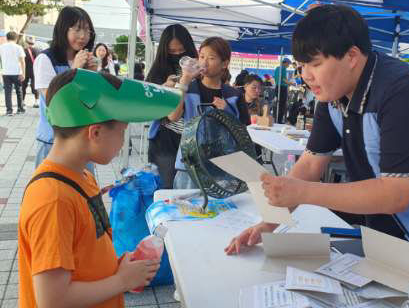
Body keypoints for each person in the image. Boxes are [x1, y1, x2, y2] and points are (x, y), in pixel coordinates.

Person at [225, 4, 409, 297]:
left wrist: (302, 193)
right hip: (402, 226)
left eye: (315, 64)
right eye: (301, 65)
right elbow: (310, 165)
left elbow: (394, 194)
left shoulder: (406, 92)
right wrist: (268, 223)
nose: (305, 75)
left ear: (351, 56)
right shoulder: (332, 96)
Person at [18, 68, 180, 308]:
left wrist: (115, 266)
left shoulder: (82, 176)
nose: (123, 142)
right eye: (123, 132)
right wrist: (121, 281)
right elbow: (52, 300)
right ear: (95, 132)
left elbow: (82, 252)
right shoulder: (53, 199)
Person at [170, 36, 247, 189]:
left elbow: (243, 130)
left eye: (211, 58)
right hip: (190, 165)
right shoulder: (188, 89)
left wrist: (227, 111)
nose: (204, 62)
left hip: (223, 167)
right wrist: (184, 81)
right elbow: (173, 116)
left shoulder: (234, 95)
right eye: (202, 56)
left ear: (224, 63)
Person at [33, 6, 98, 170]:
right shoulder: (45, 59)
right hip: (53, 142)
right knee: (51, 191)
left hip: (82, 140)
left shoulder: (86, 61)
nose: (83, 36)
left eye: (87, 31)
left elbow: (92, 102)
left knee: (84, 192)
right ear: (63, 29)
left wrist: (93, 75)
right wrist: (74, 70)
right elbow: (54, 102)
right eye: (77, 30)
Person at [146, 24, 198, 189]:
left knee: (190, 194)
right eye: (172, 51)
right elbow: (148, 106)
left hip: (192, 141)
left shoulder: (198, 69)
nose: (177, 55)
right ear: (164, 50)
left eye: (181, 50)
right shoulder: (158, 71)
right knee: (165, 190)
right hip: (165, 140)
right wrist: (163, 87)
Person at [0, 31, 26, 116]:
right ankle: (20, 109)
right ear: (16, 38)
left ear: (7, 38)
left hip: (6, 72)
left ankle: (9, 110)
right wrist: (24, 73)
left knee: (8, 92)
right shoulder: (19, 47)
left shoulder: (1, 47)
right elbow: (22, 61)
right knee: (19, 91)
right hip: (17, 72)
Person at [273, 57, 294, 123]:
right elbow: (283, 79)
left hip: (277, 87)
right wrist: (290, 83)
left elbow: (278, 78)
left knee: (277, 104)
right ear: (285, 63)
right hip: (282, 88)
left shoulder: (277, 68)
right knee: (282, 105)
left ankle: (275, 118)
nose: (288, 66)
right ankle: (279, 120)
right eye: (288, 64)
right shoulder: (283, 68)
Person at [22, 36, 40, 108]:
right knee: (35, 86)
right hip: (34, 71)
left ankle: (22, 101)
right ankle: (36, 102)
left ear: (26, 43)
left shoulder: (23, 50)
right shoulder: (38, 51)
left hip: (25, 70)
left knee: (23, 86)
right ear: (33, 43)